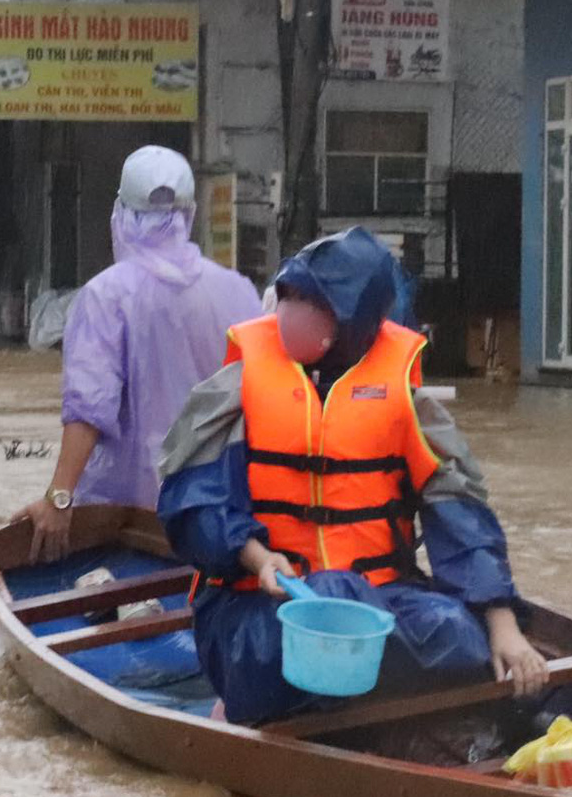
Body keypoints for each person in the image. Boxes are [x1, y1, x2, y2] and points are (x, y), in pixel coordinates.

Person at [156, 226, 548, 724]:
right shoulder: (237, 385)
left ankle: (372, 718)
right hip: (260, 610)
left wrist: (503, 626)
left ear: (356, 322)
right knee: (328, 604)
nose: (293, 312)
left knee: (456, 636)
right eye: (291, 295)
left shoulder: (404, 396)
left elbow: (462, 515)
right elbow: (191, 502)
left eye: (312, 302)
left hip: (379, 601)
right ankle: (246, 711)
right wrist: (256, 558)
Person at [12, 146, 261, 560]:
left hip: (129, 518)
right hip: (222, 514)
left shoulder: (105, 296)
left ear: (120, 213)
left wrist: (58, 501)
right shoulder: (239, 291)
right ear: (190, 215)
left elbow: (89, 410)